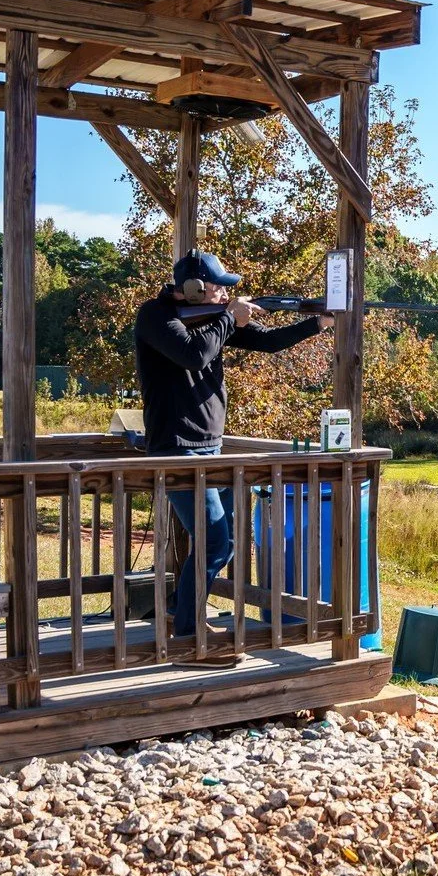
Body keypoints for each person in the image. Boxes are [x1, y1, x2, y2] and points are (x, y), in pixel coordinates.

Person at [134, 250, 333, 658]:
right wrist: (229, 317)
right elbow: (193, 354)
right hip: (177, 449)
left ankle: (179, 613)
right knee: (213, 540)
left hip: (212, 448)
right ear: (194, 289)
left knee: (224, 542)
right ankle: (190, 636)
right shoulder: (155, 316)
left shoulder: (212, 320)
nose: (226, 293)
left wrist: (318, 323)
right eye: (219, 287)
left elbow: (268, 342)